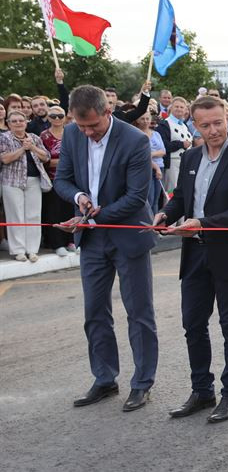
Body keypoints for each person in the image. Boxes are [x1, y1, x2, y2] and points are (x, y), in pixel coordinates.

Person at [154, 95, 228, 423]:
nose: (213, 130)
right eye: (205, 125)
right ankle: (202, 390)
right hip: (195, 253)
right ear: (195, 126)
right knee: (193, 324)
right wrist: (165, 213)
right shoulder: (190, 157)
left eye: (218, 123)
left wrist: (202, 223)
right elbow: (182, 199)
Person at [53, 85, 159, 412]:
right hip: (92, 239)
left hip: (127, 234)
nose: (86, 132)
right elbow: (63, 180)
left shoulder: (135, 140)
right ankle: (104, 378)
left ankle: (142, 383)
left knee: (139, 312)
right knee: (94, 312)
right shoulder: (72, 135)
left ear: (108, 112)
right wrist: (78, 199)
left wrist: (93, 215)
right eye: (81, 126)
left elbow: (136, 196)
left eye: (93, 126)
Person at [0, 110, 52, 261]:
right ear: (9, 124)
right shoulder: (4, 138)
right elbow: (5, 159)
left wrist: (32, 148)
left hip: (33, 180)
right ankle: (19, 251)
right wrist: (23, 148)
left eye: (20, 121)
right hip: (11, 181)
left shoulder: (34, 138)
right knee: (15, 215)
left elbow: (46, 156)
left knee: (34, 215)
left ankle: (32, 250)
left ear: (26, 122)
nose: (18, 123)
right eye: (14, 121)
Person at [39, 105, 76, 256]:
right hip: (52, 179)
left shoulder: (72, 132)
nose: (57, 119)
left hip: (72, 179)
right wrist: (65, 161)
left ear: (65, 117)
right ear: (48, 117)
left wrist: (60, 161)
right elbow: (45, 160)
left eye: (60, 116)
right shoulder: (43, 136)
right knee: (54, 212)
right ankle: (58, 243)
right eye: (53, 116)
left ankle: (71, 240)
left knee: (70, 210)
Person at [133, 113, 165, 214]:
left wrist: (150, 154)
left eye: (147, 118)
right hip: (146, 168)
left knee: (156, 199)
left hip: (160, 167)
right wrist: (155, 167)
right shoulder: (136, 134)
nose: (145, 121)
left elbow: (163, 151)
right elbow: (141, 156)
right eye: (142, 118)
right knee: (149, 199)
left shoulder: (156, 134)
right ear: (137, 120)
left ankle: (154, 225)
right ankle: (148, 225)